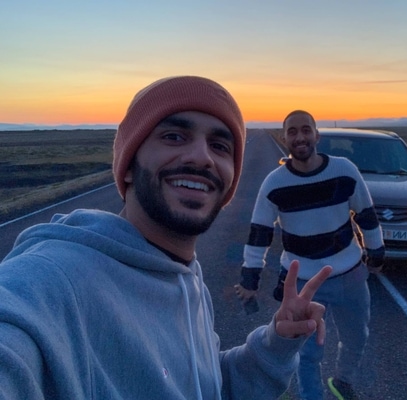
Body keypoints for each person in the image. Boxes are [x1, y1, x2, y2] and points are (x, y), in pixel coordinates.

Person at [0, 77, 333, 400]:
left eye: (219, 146)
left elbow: (205, 387)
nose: (202, 157)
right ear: (128, 165)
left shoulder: (189, 280)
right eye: (174, 136)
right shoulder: (53, 279)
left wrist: (276, 344)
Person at [234, 110, 385, 400]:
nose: (300, 137)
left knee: (357, 337)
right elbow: (259, 233)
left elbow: (366, 213)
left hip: (350, 274)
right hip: (304, 281)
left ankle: (343, 381)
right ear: (284, 138)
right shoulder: (274, 183)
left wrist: (376, 251)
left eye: (306, 130)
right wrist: (250, 279)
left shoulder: (344, 170)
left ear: (317, 135)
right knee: (307, 351)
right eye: (292, 131)